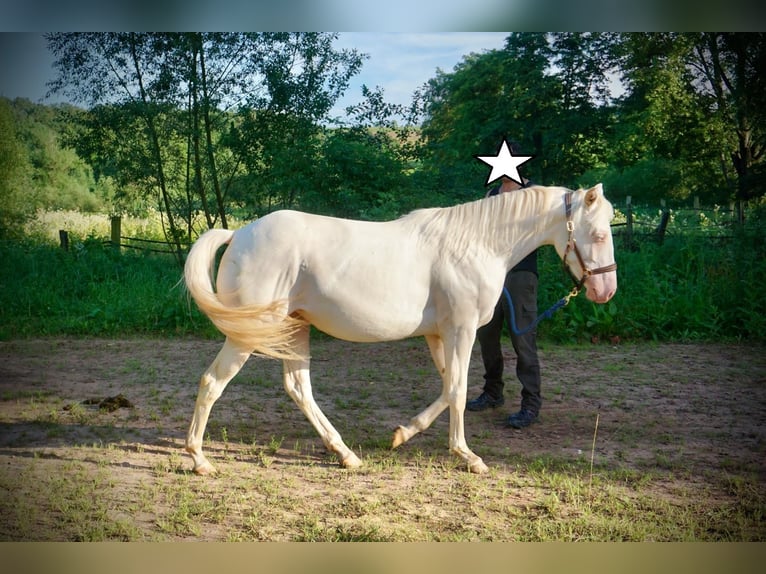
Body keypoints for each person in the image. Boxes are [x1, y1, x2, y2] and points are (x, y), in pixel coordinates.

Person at [466, 156, 542, 429]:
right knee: (487, 335)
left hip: (521, 275)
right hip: (490, 274)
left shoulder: (534, 195)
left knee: (522, 338)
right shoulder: (492, 194)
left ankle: (530, 404)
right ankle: (492, 392)